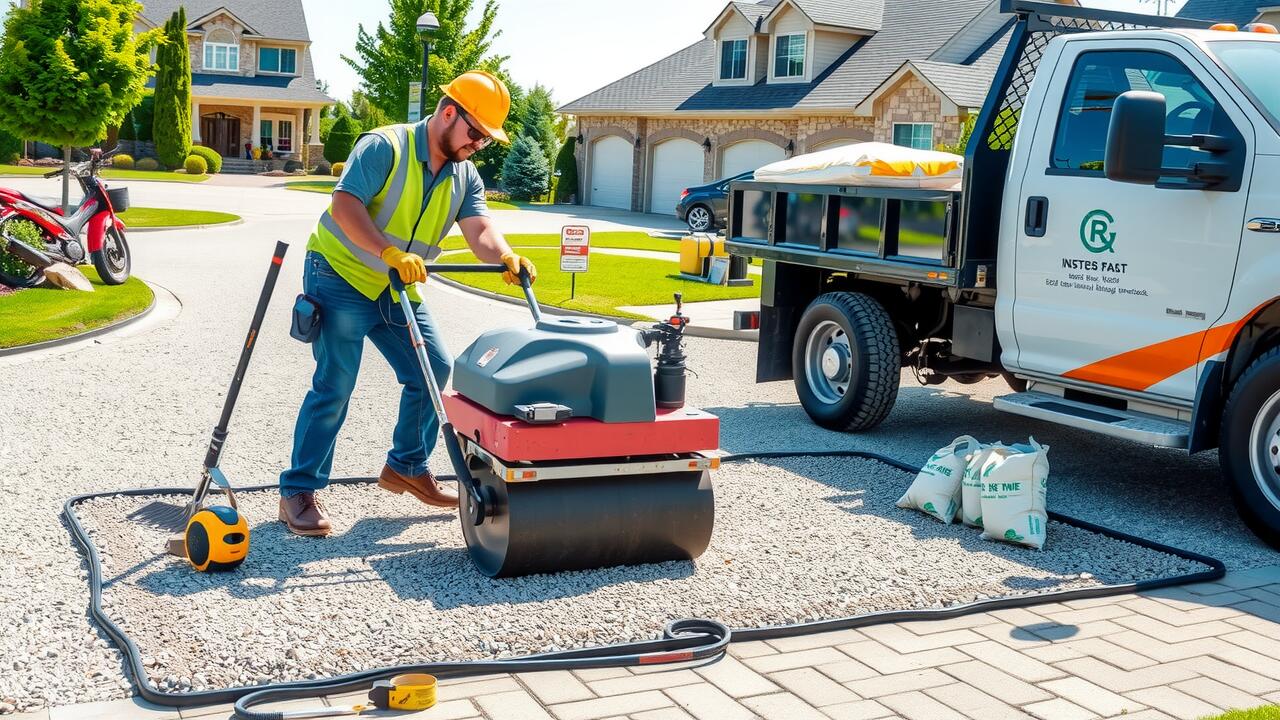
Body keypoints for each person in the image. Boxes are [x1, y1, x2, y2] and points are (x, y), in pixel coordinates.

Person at [278, 70, 537, 536]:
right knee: (335, 383)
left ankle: (406, 466)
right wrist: (388, 252)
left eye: (486, 139)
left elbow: (479, 231)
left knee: (433, 370)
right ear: (448, 112)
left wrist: (506, 256)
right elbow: (344, 205)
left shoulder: (464, 174)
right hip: (340, 273)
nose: (479, 144)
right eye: (475, 132)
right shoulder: (385, 146)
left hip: (396, 284)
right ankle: (297, 490)